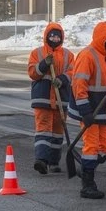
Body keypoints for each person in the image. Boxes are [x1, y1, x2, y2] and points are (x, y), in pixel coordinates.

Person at [67, 21, 106, 199]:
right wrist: (85, 111)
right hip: (90, 109)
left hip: (103, 110)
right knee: (91, 146)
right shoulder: (87, 55)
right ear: (103, 38)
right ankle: (87, 184)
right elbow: (78, 84)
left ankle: (86, 168)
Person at [27, 23, 75, 175]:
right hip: (43, 99)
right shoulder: (38, 53)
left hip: (61, 99)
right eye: (52, 36)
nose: (55, 38)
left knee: (57, 132)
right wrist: (44, 64)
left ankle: (54, 162)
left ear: (62, 38)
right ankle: (41, 160)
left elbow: (74, 72)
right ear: (46, 36)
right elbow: (33, 73)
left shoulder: (68, 55)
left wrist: (62, 79)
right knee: (43, 131)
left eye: (57, 36)